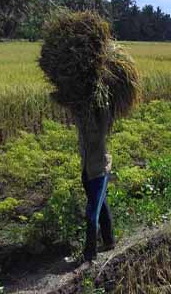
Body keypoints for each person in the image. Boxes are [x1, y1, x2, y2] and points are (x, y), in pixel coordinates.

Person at [75, 107, 115, 262]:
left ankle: (89, 253)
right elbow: (74, 109)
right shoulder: (81, 121)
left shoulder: (100, 120)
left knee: (92, 213)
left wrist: (100, 102)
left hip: (100, 172)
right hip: (86, 171)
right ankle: (109, 241)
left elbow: (106, 113)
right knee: (101, 206)